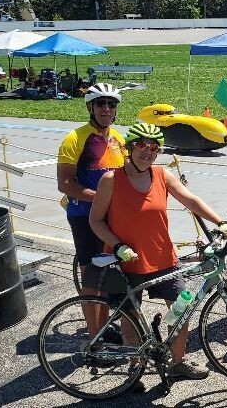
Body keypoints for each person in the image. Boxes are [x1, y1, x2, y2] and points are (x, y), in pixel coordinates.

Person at [89, 123, 227, 382]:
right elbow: (96, 221)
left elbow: (191, 200)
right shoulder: (111, 180)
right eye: (141, 146)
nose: (147, 152)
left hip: (163, 258)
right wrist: (118, 245)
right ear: (130, 147)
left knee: (181, 309)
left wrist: (220, 221)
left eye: (154, 148)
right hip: (127, 261)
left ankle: (177, 362)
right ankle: (135, 368)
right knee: (130, 318)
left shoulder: (161, 175)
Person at [56, 83, 127, 341]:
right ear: (90, 107)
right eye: (101, 103)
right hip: (84, 215)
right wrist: (101, 198)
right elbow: (65, 184)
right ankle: (94, 336)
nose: (106, 108)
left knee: (108, 273)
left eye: (111, 104)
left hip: (112, 215)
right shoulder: (75, 139)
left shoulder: (118, 139)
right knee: (91, 277)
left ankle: (104, 327)